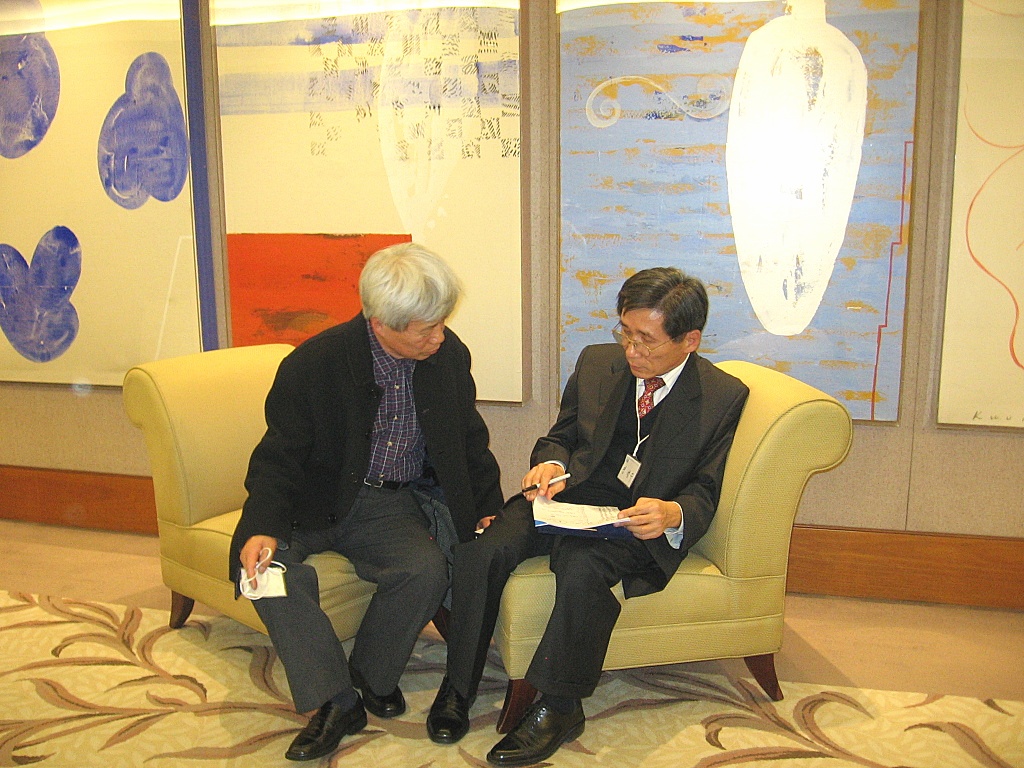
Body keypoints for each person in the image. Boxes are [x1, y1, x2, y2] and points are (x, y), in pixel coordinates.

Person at [426, 267, 750, 766]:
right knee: (482, 551)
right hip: (568, 499)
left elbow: (706, 485)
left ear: (690, 340)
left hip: (631, 519)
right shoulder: (597, 362)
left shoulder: (721, 396)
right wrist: (551, 465)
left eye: (646, 340)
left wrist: (672, 512)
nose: (632, 351)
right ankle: (458, 687)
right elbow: (561, 435)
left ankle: (559, 706)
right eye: (626, 332)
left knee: (581, 569)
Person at [230, 242, 503, 762]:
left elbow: (469, 439)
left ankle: (368, 676)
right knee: (265, 574)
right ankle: (336, 702)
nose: (439, 337)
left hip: (386, 503)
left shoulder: (447, 357)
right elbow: (279, 454)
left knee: (424, 570)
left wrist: (488, 505)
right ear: (380, 322)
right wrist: (262, 525)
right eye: (426, 329)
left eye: (441, 324)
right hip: (310, 501)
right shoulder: (315, 364)